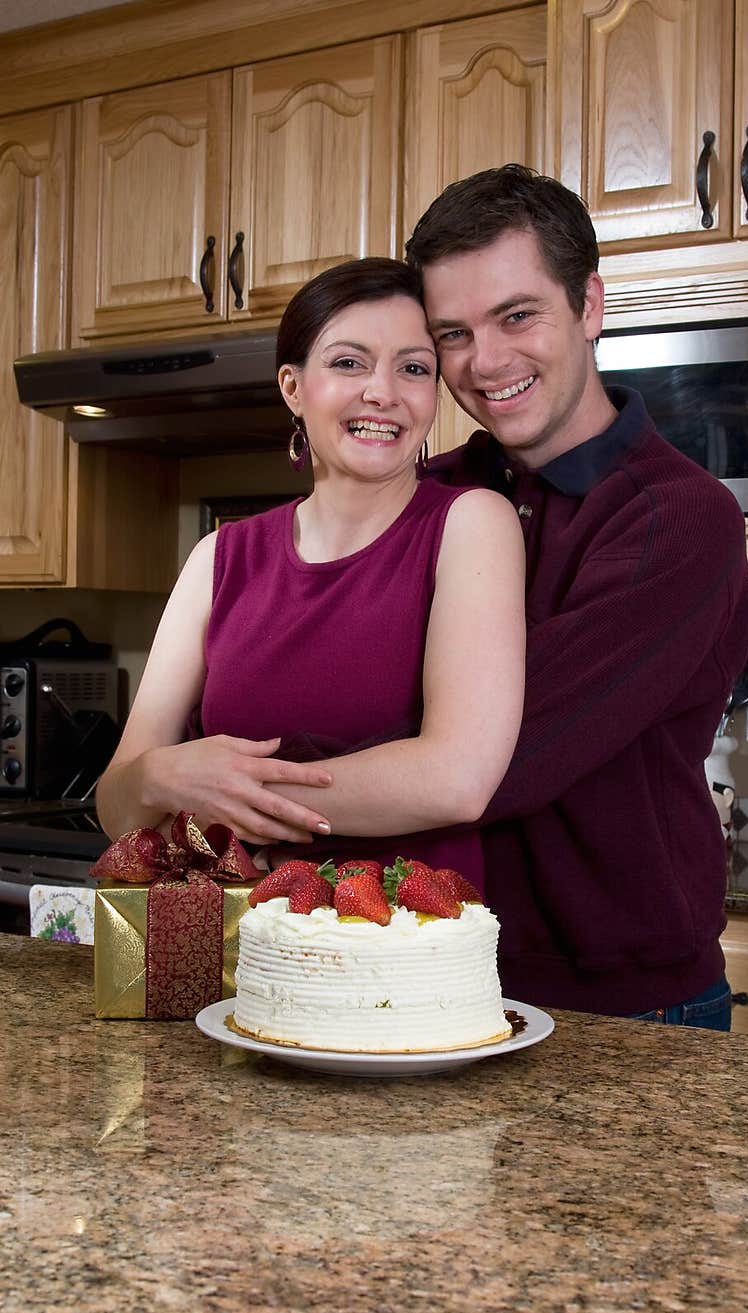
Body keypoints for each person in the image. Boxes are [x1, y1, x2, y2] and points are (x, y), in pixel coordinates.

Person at [247, 167, 748, 1030]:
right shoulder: (432, 494)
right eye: (452, 334)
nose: (485, 363)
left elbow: (495, 756)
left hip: (621, 1003)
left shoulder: (678, 520)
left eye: (518, 316)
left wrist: (231, 786)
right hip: (418, 975)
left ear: (589, 304)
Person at [96, 257, 525, 892]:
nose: (382, 392)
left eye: (413, 368)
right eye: (348, 363)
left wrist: (226, 793)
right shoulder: (219, 557)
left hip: (401, 958)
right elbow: (117, 803)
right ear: (293, 388)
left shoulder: (470, 524)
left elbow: (457, 779)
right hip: (237, 958)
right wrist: (161, 777)